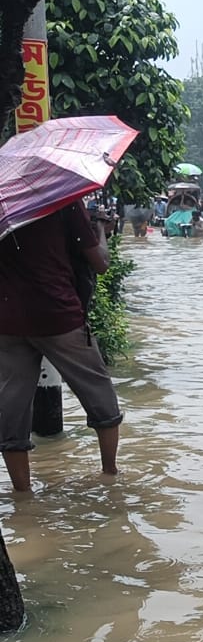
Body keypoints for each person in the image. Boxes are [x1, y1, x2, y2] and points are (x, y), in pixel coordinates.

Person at [0, 201, 123, 492]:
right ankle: (111, 474)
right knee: (99, 394)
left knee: (11, 411)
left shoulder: (4, 201)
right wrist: (100, 230)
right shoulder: (62, 200)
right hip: (58, 316)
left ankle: (23, 494)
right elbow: (101, 263)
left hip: (6, 321)